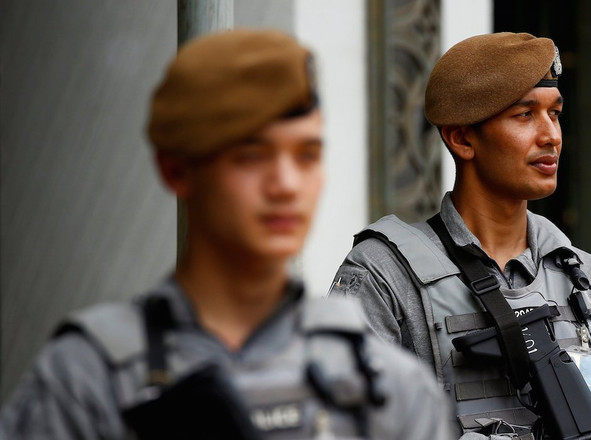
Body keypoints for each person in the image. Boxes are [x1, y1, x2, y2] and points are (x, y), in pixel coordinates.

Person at [0, 28, 452, 440]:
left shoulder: (386, 386)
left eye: (307, 155)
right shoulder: (86, 383)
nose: (286, 185)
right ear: (176, 169)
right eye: (251, 155)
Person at [327, 32, 591, 440]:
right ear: (461, 138)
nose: (551, 136)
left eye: (555, 114)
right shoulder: (384, 277)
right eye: (525, 115)